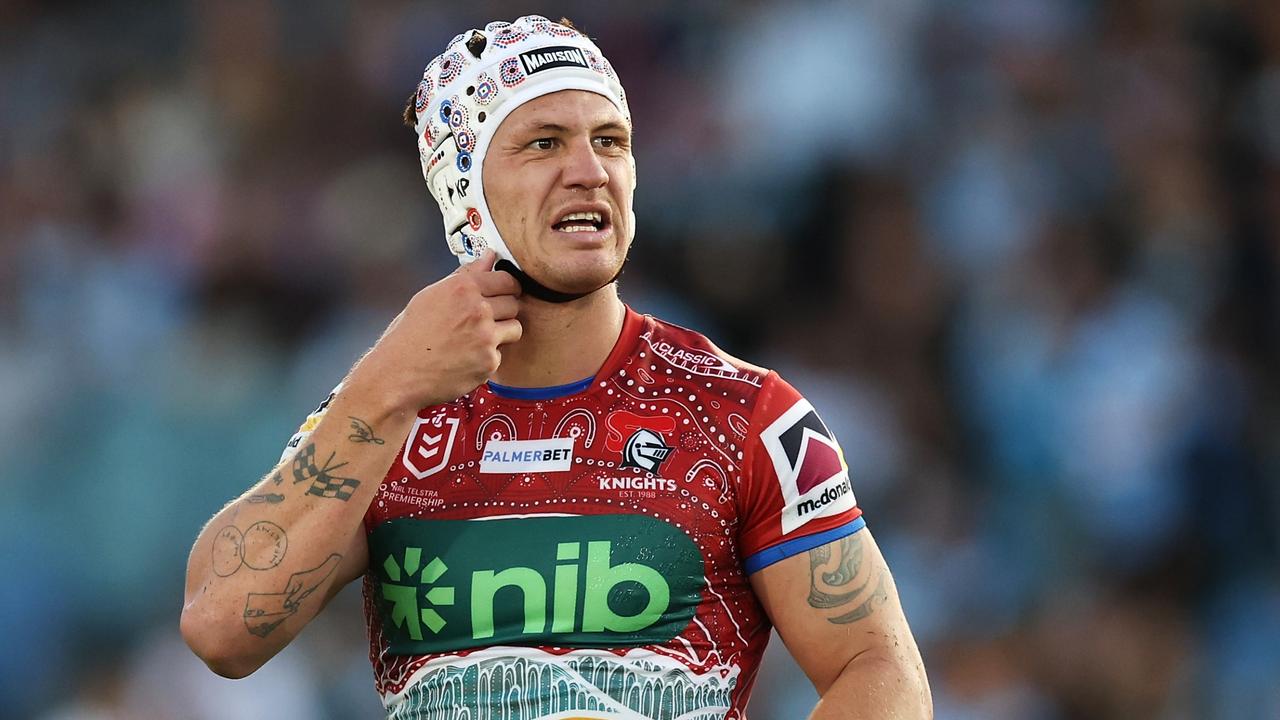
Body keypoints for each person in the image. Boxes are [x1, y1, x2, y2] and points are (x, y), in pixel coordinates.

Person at [181, 15, 931, 719]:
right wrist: (384, 386)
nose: (589, 171)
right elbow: (221, 628)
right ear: (463, 186)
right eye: (543, 143)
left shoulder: (746, 415)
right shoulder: (387, 413)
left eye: (611, 141)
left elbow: (879, 669)